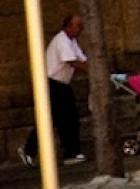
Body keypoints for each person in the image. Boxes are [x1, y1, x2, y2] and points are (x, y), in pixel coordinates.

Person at [19, 12, 88, 168]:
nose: (80, 29)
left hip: (61, 85)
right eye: (78, 26)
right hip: (52, 85)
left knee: (66, 119)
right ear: (69, 26)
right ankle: (30, 149)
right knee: (55, 119)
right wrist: (93, 71)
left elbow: (82, 59)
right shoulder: (62, 41)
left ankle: (70, 152)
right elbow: (72, 61)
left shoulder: (72, 41)